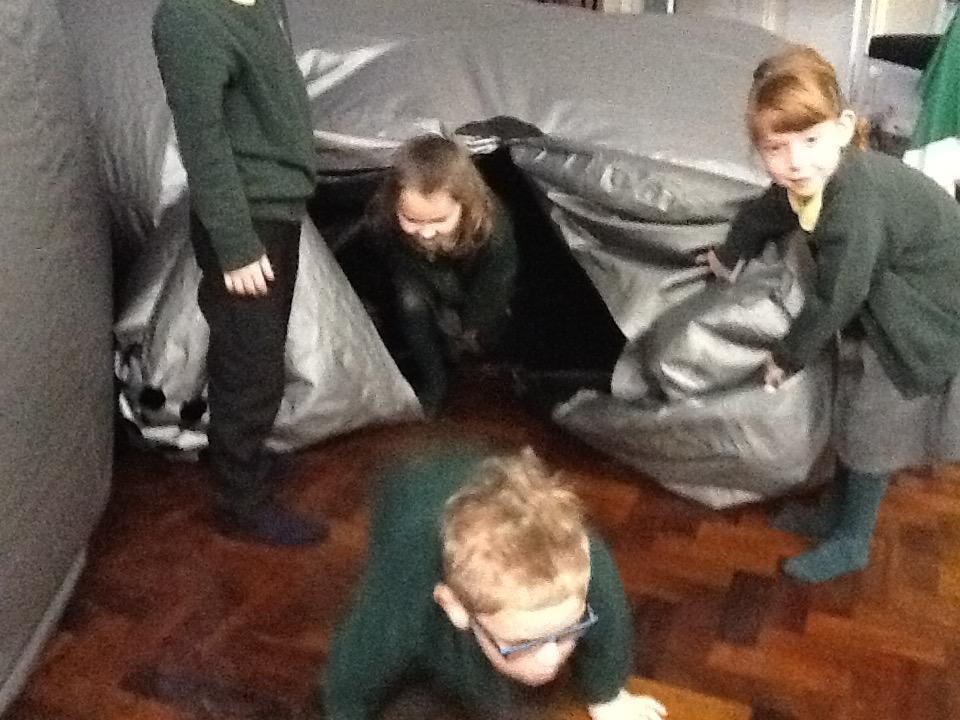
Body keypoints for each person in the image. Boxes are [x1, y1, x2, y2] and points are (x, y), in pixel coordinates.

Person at [703, 45, 960, 582]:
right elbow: (767, 210)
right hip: (891, 296)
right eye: (777, 148)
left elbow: (838, 294)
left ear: (843, 130)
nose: (796, 161)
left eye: (810, 140)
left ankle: (854, 539)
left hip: (923, 318)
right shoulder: (807, 182)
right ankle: (835, 513)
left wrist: (786, 356)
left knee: (874, 427)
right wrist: (730, 253)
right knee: (850, 410)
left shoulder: (855, 201)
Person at [317, 444, 667, 720]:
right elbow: (350, 677)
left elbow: (610, 627)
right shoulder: (397, 593)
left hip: (478, 470)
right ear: (453, 606)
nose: (551, 659)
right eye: (523, 644)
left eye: (568, 630)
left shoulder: (588, 566)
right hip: (411, 489)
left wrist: (606, 696)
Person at [152, 0, 326, 545]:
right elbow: (202, 141)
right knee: (248, 363)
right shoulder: (189, 19)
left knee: (261, 352)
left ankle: (243, 458)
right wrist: (234, 245)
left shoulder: (264, 5)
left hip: (278, 209)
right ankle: (240, 499)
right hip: (247, 219)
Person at [347, 135, 518, 417]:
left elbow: (497, 279)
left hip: (474, 286)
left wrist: (471, 325)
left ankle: (467, 371)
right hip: (417, 274)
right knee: (410, 303)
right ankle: (433, 380)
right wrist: (438, 289)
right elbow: (392, 262)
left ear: (464, 203)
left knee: (483, 334)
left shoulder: (491, 225)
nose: (426, 232)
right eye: (412, 220)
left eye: (439, 220)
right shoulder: (382, 218)